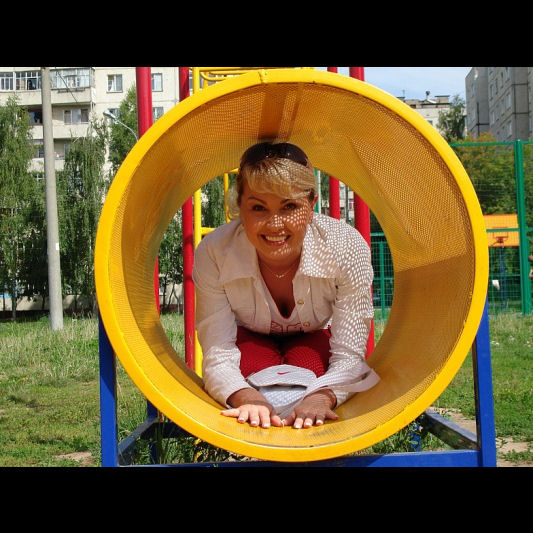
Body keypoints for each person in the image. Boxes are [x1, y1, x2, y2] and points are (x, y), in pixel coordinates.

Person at [192, 141, 379, 430]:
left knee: (313, 362)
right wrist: (245, 397)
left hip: (315, 338)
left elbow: (350, 355)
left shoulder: (345, 246)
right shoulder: (215, 252)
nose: (275, 224)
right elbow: (218, 353)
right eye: (258, 207)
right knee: (250, 363)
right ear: (239, 206)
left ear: (312, 205)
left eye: (289, 206)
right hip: (249, 340)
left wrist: (323, 397)